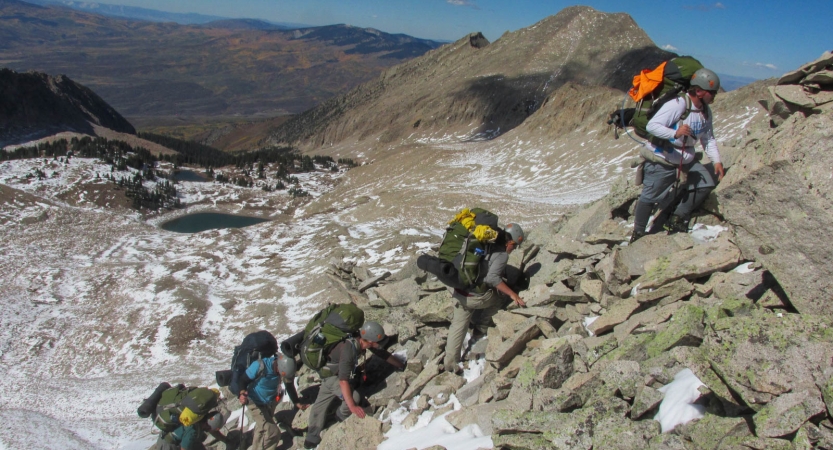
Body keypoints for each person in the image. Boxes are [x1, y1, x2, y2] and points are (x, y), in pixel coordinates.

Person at [631, 68, 725, 242]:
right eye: (711, 92)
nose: (714, 96)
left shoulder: (705, 111)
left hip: (685, 157)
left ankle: (677, 218)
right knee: (650, 197)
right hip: (663, 157)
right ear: (698, 91)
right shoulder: (678, 104)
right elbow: (653, 126)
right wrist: (674, 133)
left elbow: (708, 138)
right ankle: (638, 233)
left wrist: (716, 161)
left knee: (705, 183)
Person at [303, 321, 405, 449]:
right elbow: (343, 381)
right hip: (332, 377)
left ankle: (311, 438)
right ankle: (340, 416)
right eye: (377, 342)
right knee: (354, 397)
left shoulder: (360, 340)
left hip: (328, 374)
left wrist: (399, 364)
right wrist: (352, 407)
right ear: (371, 341)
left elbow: (381, 353)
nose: (378, 345)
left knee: (321, 403)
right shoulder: (349, 350)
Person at [443, 223, 526, 374]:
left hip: (459, 288)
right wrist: (512, 294)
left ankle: (450, 363)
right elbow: (492, 278)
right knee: (501, 296)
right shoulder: (502, 254)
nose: (513, 249)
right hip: (474, 297)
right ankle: (480, 329)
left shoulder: (483, 241)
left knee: (458, 326)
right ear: (510, 242)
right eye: (514, 246)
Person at [237, 352, 309, 450]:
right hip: (254, 402)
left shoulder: (284, 368)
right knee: (273, 433)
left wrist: (296, 402)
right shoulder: (259, 366)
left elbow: (289, 385)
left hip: (269, 403)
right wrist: (241, 393)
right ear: (279, 366)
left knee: (262, 429)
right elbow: (242, 380)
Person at [156, 410, 226, 450]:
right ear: (207, 424)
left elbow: (213, 431)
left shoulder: (201, 417)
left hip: (182, 440)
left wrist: (227, 441)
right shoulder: (192, 431)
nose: (210, 430)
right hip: (168, 443)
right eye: (210, 428)